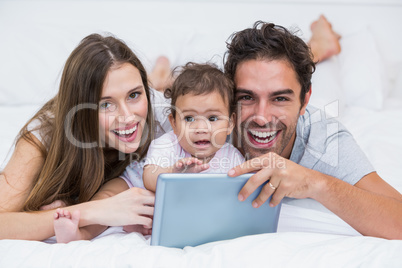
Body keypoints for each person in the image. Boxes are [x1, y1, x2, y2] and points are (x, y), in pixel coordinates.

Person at [223, 21, 402, 239]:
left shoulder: (323, 137)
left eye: (280, 98)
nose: (262, 118)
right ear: (229, 98)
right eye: (246, 97)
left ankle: (319, 44)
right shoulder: (205, 121)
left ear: (304, 101)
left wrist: (315, 182)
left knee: (333, 93)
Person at [0, 33, 170, 242]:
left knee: (160, 83)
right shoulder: (42, 137)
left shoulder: (163, 114)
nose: (127, 117)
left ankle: (160, 71)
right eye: (105, 104)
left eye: (134, 94)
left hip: (155, 89)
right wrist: (94, 210)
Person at [142, 62, 244, 192]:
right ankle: (160, 71)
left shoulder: (232, 156)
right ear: (174, 124)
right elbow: (148, 177)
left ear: (230, 123)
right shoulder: (167, 145)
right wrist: (172, 173)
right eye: (189, 118)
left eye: (212, 118)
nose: (201, 128)